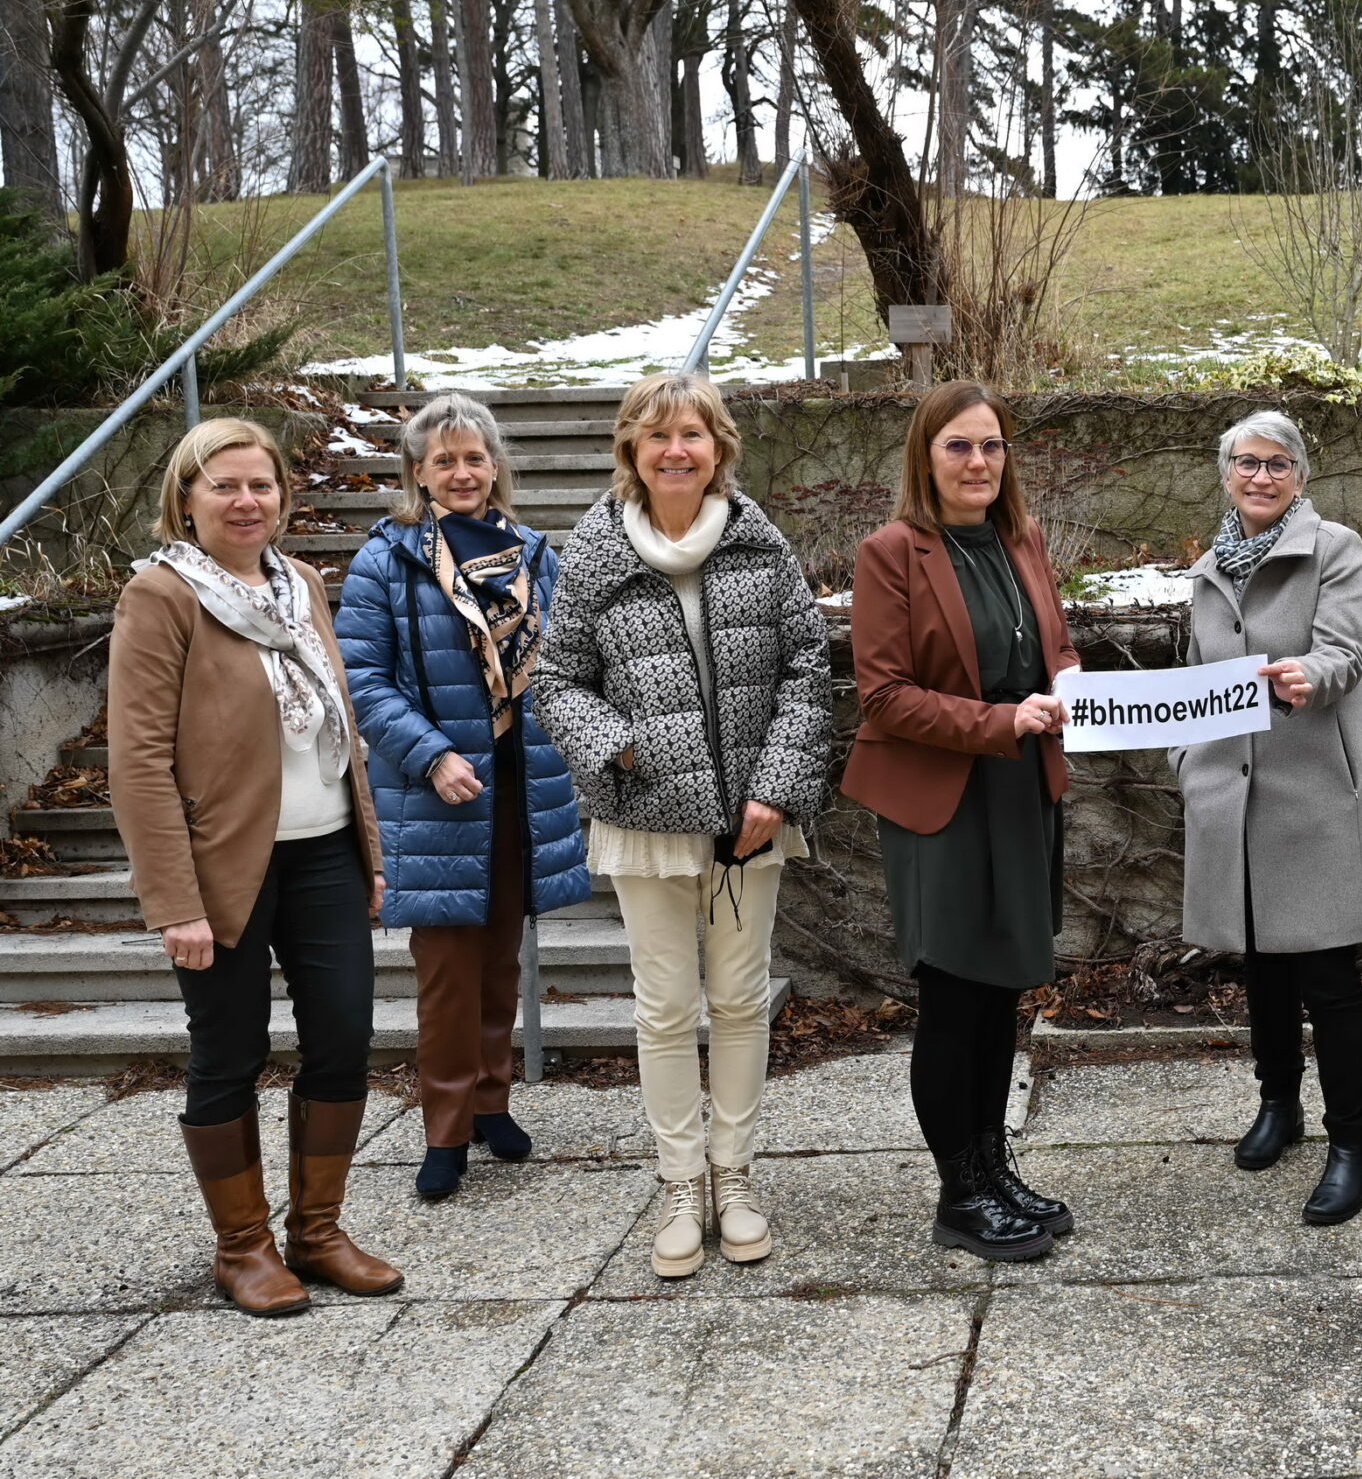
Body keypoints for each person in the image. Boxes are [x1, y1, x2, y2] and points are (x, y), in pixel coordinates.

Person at [530, 372, 832, 1280]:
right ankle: (677, 1182)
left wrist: (777, 788)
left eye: (692, 435)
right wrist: (621, 753)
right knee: (665, 1010)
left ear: (718, 448)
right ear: (631, 450)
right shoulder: (592, 552)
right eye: (657, 436)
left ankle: (734, 1179)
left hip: (750, 821)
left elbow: (807, 671)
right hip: (645, 820)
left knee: (740, 1001)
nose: (675, 451)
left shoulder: (757, 542)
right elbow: (556, 681)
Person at [108, 418, 404, 1316]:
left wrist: (369, 854)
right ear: (186, 499)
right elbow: (138, 760)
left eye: (261, 486)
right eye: (224, 487)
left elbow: (339, 727)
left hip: (323, 857)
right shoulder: (162, 596)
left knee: (345, 1037)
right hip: (220, 871)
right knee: (228, 1054)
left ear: (282, 495)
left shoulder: (301, 583)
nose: (246, 502)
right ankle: (242, 1248)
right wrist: (173, 903)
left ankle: (318, 1232)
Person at [842, 379, 1082, 1263]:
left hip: (1021, 793)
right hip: (941, 802)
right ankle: (958, 1195)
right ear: (927, 456)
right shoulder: (891, 553)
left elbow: (1049, 647)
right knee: (953, 996)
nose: (978, 462)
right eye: (959, 447)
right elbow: (885, 695)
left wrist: (1068, 678)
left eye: (991, 446)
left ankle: (991, 1167)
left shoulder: (1023, 541)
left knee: (1002, 993)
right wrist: (997, 721)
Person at [338, 393, 590, 1200]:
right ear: (418, 472)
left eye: (473, 457)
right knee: (447, 971)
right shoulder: (388, 558)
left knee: (499, 963)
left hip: (520, 784)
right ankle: (443, 1129)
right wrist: (433, 753)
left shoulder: (531, 554)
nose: (461, 472)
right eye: (443, 460)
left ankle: (491, 1100)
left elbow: (565, 659)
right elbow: (363, 681)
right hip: (440, 792)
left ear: (494, 467)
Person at [1173, 410, 1362, 1226]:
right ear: (1226, 472)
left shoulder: (1334, 548)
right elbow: (1194, 680)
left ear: (1300, 475)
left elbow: (1348, 649)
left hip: (1316, 796)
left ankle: (1352, 1143)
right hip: (1233, 794)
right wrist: (1186, 763)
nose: (1261, 477)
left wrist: (1310, 673)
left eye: (1277, 464)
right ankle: (1279, 1105)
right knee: (1260, 966)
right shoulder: (1206, 569)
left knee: (1329, 980)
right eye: (1246, 463)